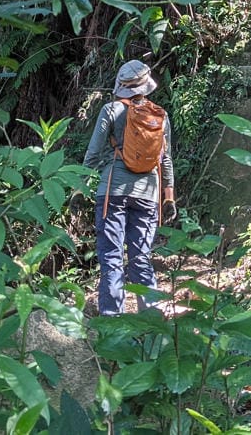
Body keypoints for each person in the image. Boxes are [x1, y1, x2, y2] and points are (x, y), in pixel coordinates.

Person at [81, 60, 175, 315]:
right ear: (145, 88)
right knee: (141, 259)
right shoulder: (160, 116)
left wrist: (79, 187)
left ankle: (112, 323)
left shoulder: (111, 110)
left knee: (111, 259)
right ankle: (151, 322)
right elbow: (165, 159)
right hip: (148, 194)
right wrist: (169, 196)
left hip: (113, 190)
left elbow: (92, 154)